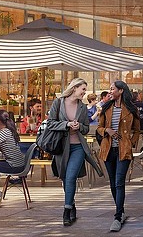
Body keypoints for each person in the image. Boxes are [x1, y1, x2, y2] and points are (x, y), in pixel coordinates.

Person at [48, 77, 102, 226]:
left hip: (78, 147)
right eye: (83, 89)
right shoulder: (58, 103)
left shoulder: (82, 107)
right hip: (62, 148)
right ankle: (72, 205)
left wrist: (79, 127)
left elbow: (86, 128)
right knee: (65, 178)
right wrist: (67, 124)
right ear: (74, 88)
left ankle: (66, 211)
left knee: (71, 177)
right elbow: (50, 123)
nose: (85, 93)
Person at [97, 80, 141, 232]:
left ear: (121, 91)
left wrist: (131, 142)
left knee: (119, 182)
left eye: (112, 89)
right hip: (108, 149)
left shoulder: (131, 109)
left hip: (123, 149)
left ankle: (117, 217)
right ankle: (121, 211)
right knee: (112, 183)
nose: (110, 91)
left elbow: (137, 129)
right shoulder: (106, 108)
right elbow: (99, 128)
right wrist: (106, 131)